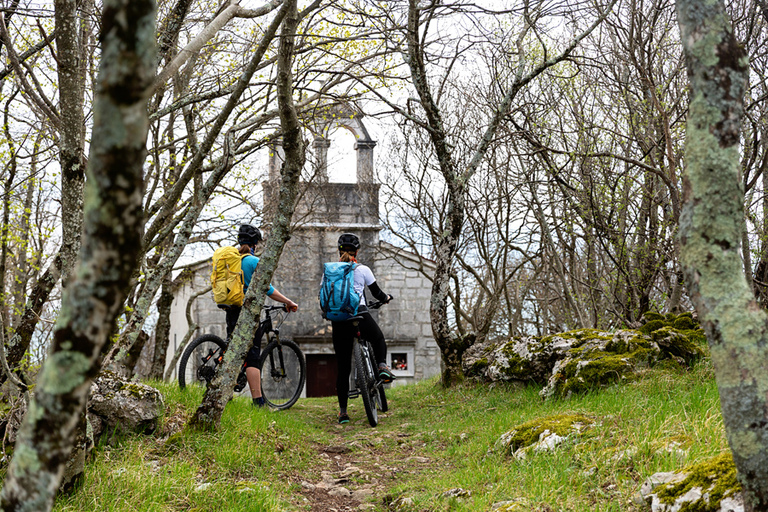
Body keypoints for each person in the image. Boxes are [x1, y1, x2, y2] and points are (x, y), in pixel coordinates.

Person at [226, 224, 298, 407]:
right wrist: (288, 301)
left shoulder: (232, 261)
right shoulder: (253, 261)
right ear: (254, 244)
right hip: (247, 313)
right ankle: (258, 401)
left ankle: (225, 392)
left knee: (232, 350)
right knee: (252, 356)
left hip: (231, 309)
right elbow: (268, 289)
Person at [328, 233, 395, 424]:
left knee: (343, 368)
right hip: (360, 314)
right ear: (357, 251)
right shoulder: (362, 269)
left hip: (339, 320)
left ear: (339, 250)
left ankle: (343, 413)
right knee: (378, 338)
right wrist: (386, 298)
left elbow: (323, 296)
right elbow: (377, 293)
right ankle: (381, 366)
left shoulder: (330, 271)